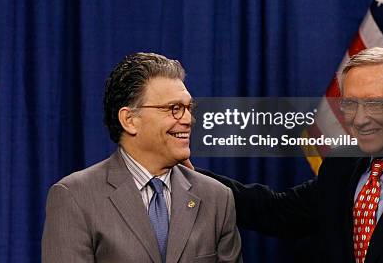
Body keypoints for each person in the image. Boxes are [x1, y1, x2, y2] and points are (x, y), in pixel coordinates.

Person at [197, 47, 383, 262]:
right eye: (350, 103)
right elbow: (275, 212)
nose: (359, 119)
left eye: (374, 103)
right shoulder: (341, 165)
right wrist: (191, 177)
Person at [42, 52, 242, 263]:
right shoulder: (75, 197)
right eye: (174, 109)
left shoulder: (217, 198)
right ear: (129, 120)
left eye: (188, 108)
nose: (188, 119)